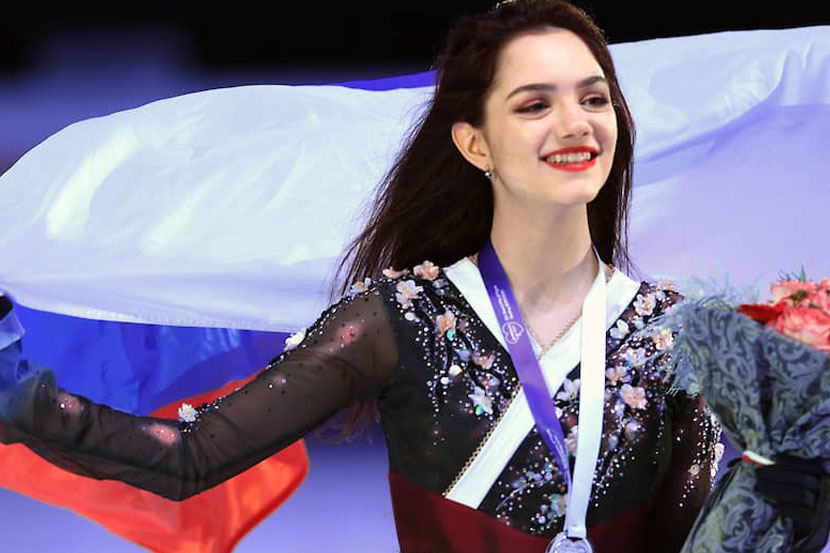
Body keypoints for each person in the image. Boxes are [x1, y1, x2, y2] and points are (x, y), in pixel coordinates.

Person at [0, 1, 823, 552]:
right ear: (474, 143)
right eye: (534, 104)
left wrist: (790, 478)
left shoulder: (675, 333)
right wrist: (25, 399)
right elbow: (190, 458)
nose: (575, 123)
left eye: (594, 98)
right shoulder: (399, 318)